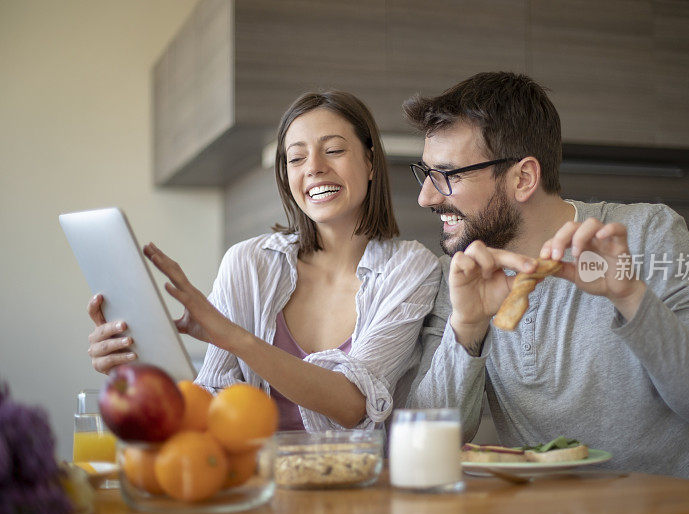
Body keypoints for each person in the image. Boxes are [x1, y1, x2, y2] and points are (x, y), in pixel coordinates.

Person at [400, 72, 689, 484]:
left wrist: (631, 297)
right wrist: (468, 329)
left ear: (524, 178)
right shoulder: (459, 274)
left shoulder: (648, 233)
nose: (426, 196)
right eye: (426, 173)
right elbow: (426, 439)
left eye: (448, 175)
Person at [86, 90, 440, 431]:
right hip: (254, 482)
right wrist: (135, 372)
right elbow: (212, 399)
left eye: (333, 150)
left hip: (362, 486)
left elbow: (353, 405)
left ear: (370, 161)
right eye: (296, 158)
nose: (314, 167)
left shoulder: (410, 268)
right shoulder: (248, 263)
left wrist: (235, 338)